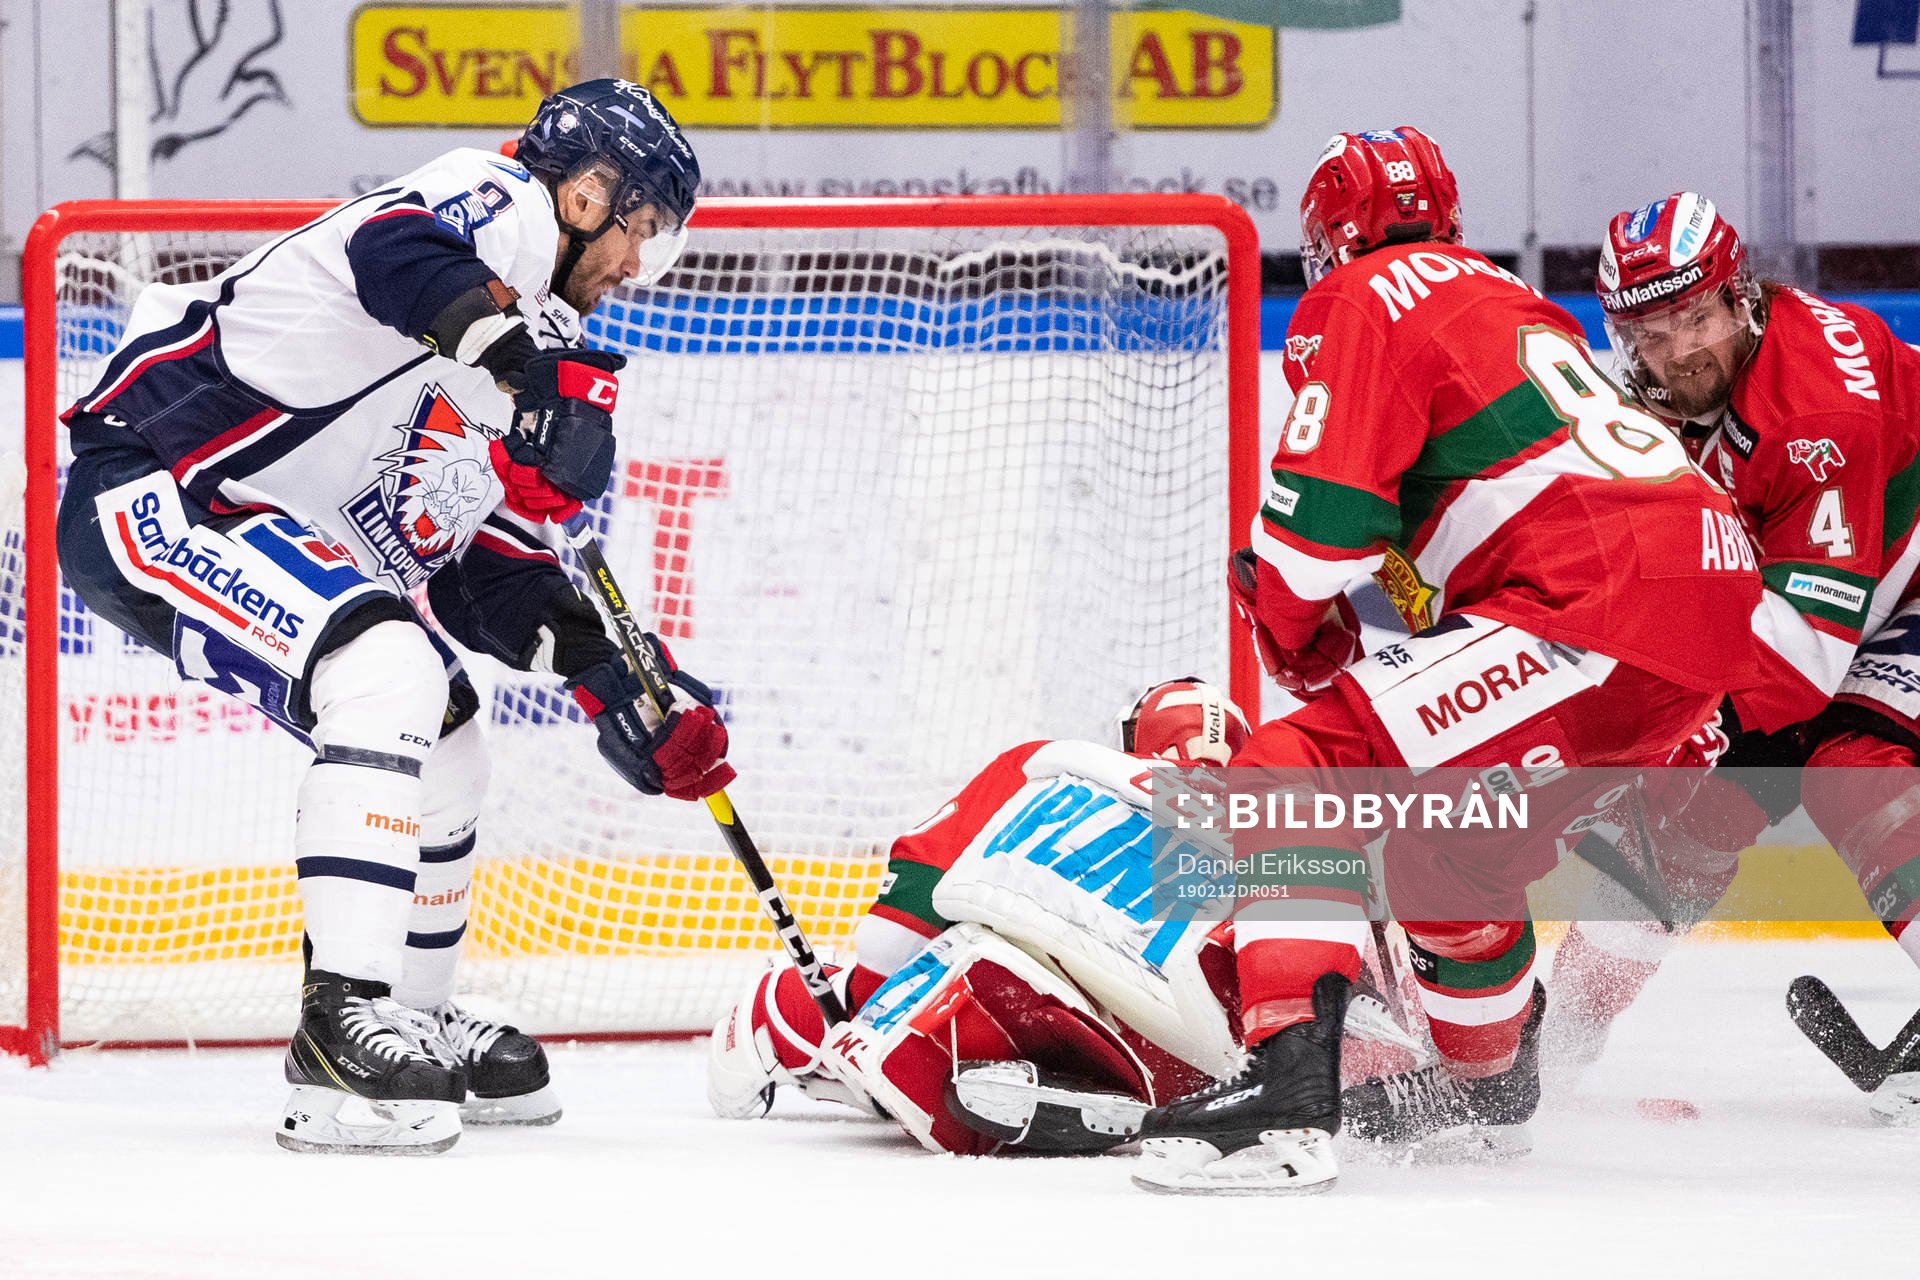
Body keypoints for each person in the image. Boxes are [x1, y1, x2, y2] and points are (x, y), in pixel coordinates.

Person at [54, 80, 733, 1155]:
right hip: (155, 482)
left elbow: (475, 572)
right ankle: (338, 1031)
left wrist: (613, 676)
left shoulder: (520, 340)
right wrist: (519, 362)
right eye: (639, 229)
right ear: (590, 193)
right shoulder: (498, 198)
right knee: (385, 673)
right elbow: (392, 247)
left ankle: (407, 1012)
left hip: (255, 514)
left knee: (449, 728)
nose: (635, 265)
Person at [1129, 129, 1766, 1193]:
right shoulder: (1514, 301)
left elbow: (1311, 537)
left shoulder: (1361, 296)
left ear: (1330, 239)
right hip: (1702, 600)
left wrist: (1286, 627)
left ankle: (1289, 1092)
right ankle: (1488, 1089)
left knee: (1291, 771)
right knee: (1450, 848)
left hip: (1597, 603)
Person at [1544, 193, 1920, 1124]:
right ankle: (1542, 1057)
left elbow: (1799, 664)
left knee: (1852, 774)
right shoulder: (1645, 404)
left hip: (1883, 604)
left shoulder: (1815, 410)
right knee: (1676, 822)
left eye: (1697, 317)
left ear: (1741, 299)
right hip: (1842, 607)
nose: (1680, 351)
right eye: (1652, 331)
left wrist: (1653, 732)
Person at [705, 680, 1427, 1154]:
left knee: (889, 998)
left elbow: (892, 933)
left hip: (1047, 999)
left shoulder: (1058, 765)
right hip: (1249, 1054)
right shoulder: (1290, 816)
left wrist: (857, 997)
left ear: (1135, 738)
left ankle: (766, 1017)